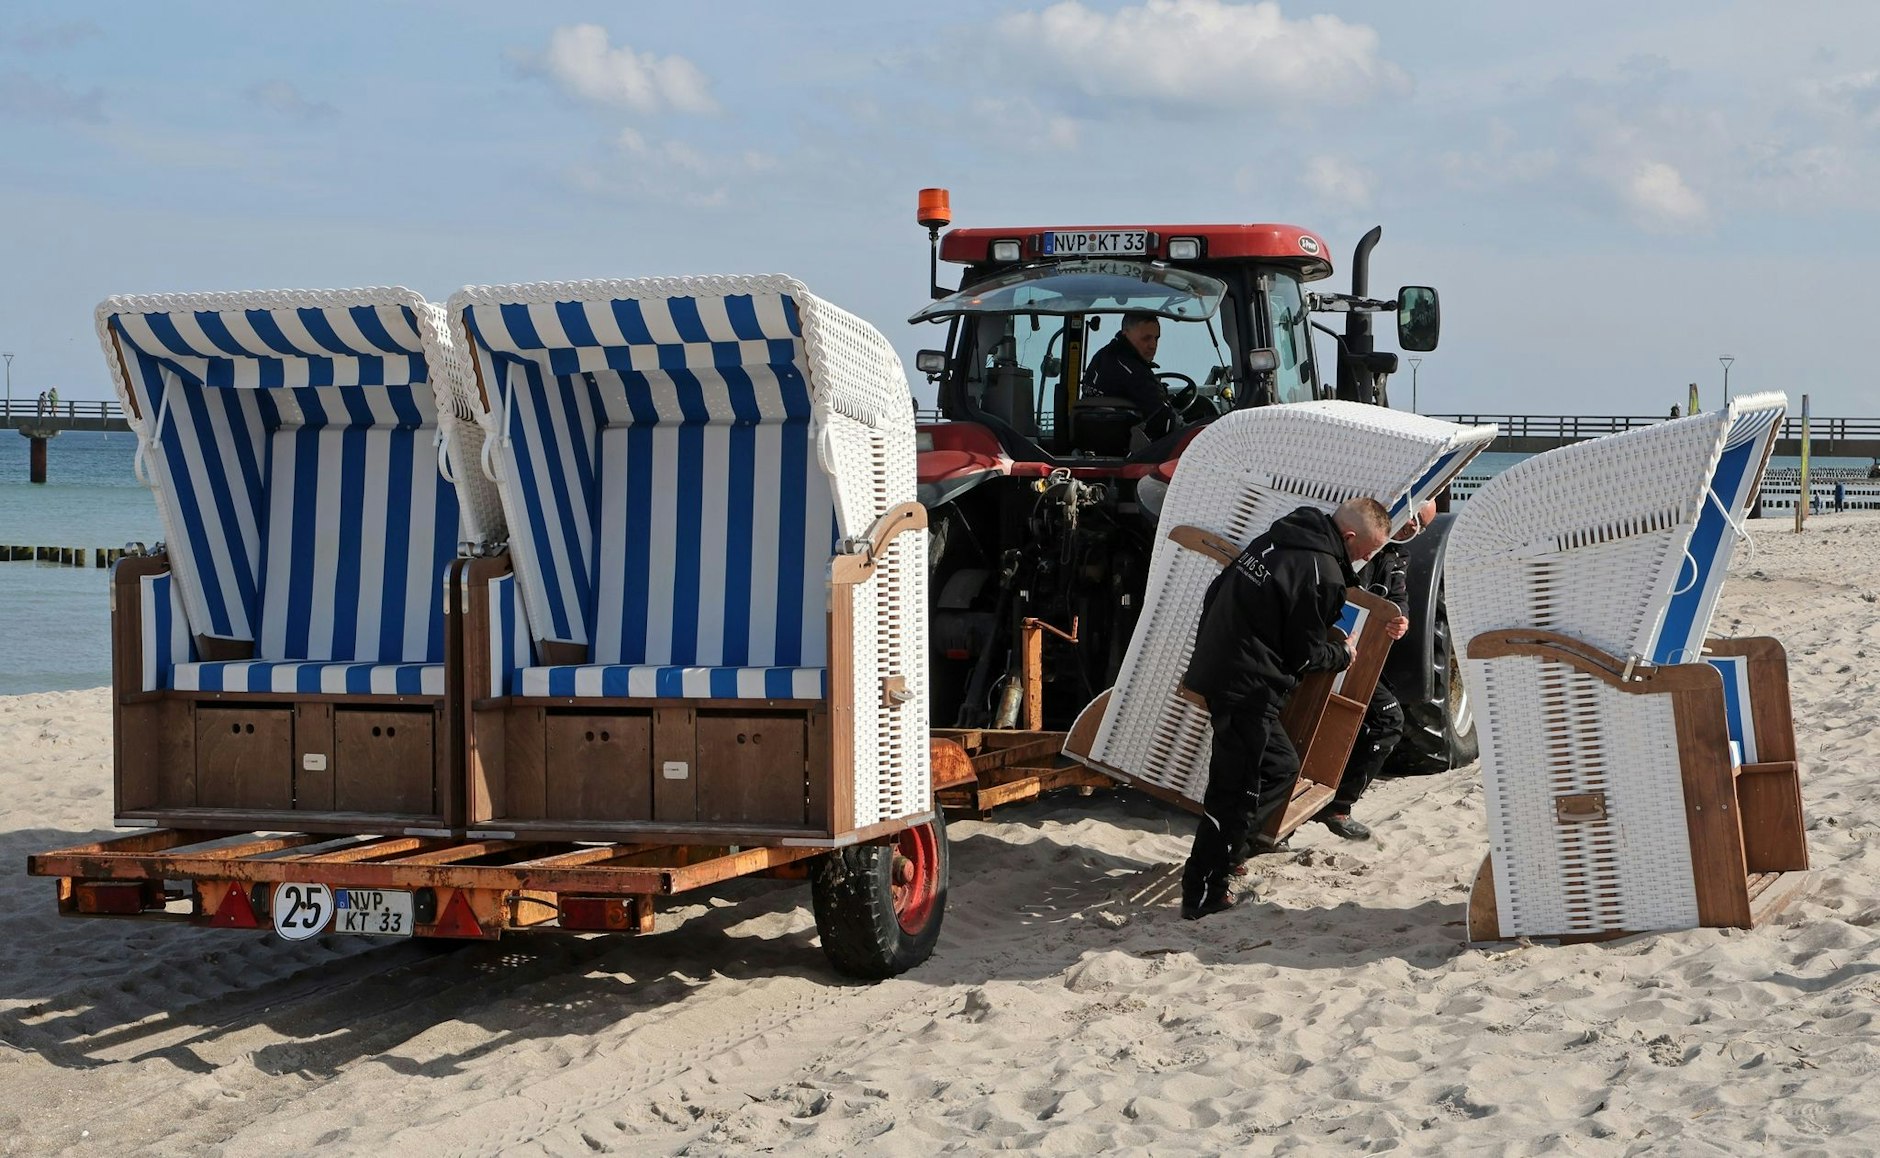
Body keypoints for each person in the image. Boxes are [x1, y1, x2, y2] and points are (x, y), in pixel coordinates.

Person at [1178, 496, 1394, 920]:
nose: (1368, 559)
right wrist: (1343, 654)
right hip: (1247, 686)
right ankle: (1205, 893)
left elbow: (1216, 591)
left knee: (1278, 766)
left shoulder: (1276, 539)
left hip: (1221, 667)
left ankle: (1236, 850)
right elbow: (1305, 653)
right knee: (1235, 790)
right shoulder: (1324, 574)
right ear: (1349, 537)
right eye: (1368, 551)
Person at [1314, 498, 1438, 841]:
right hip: (1322, 644)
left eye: (1422, 526)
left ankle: (1338, 805)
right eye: (1413, 517)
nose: (1414, 526)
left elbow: (1398, 598)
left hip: (1357, 654)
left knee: (1387, 721)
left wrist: (1402, 621)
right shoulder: (1349, 540)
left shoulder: (1398, 555)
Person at [1083, 312, 1177, 438]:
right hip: (1130, 449)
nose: (1153, 345)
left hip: (1091, 437)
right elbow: (1164, 417)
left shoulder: (1101, 357)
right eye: (1146, 338)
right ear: (1125, 333)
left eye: (1156, 338)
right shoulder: (1133, 372)